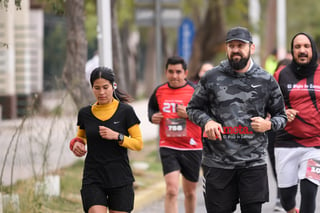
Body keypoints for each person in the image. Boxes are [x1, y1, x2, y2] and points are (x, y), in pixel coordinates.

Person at [186, 26, 287, 213]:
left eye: (240, 45)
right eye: (231, 46)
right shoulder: (211, 77)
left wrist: (269, 124)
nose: (235, 50)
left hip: (253, 163)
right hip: (218, 164)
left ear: (251, 48)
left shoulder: (265, 79)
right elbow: (193, 108)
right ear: (226, 48)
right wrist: (207, 121)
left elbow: (282, 115)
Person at [69, 67, 143, 213]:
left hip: (120, 178)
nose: (101, 92)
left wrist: (117, 136)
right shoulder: (85, 113)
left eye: (105, 87)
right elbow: (80, 137)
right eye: (97, 88)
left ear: (113, 86)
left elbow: (138, 143)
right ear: (92, 88)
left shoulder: (125, 111)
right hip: (93, 177)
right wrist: (76, 144)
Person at [148, 56, 203, 213]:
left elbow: (206, 116)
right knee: (171, 190)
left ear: (185, 73)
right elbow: (151, 109)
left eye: (178, 72)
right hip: (168, 146)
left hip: (192, 147)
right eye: (171, 72)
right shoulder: (159, 91)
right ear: (166, 72)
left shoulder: (195, 91)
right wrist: (152, 117)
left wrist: (189, 114)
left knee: (190, 192)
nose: (174, 76)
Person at [273, 32, 320, 213]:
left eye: (306, 46)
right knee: (286, 199)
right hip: (286, 143)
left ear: (312, 49)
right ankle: (291, 209)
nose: (302, 50)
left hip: (315, 144)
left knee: (309, 191)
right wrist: (282, 112)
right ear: (292, 51)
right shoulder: (280, 75)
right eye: (298, 47)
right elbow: (269, 105)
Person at [266, 58, 291, 212]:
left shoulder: (298, 88)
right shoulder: (269, 86)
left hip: (293, 133)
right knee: (276, 165)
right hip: (274, 131)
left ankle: (285, 196)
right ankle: (281, 195)